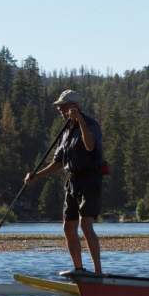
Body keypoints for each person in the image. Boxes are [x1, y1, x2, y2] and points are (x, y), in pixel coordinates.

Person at [24, 89, 105, 277]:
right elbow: (58, 163)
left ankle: (98, 272)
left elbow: (90, 145)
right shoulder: (66, 131)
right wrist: (36, 176)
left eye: (62, 107)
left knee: (86, 224)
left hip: (90, 180)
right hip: (72, 181)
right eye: (59, 107)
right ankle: (79, 269)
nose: (59, 110)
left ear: (74, 107)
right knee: (68, 227)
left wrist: (80, 121)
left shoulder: (91, 124)